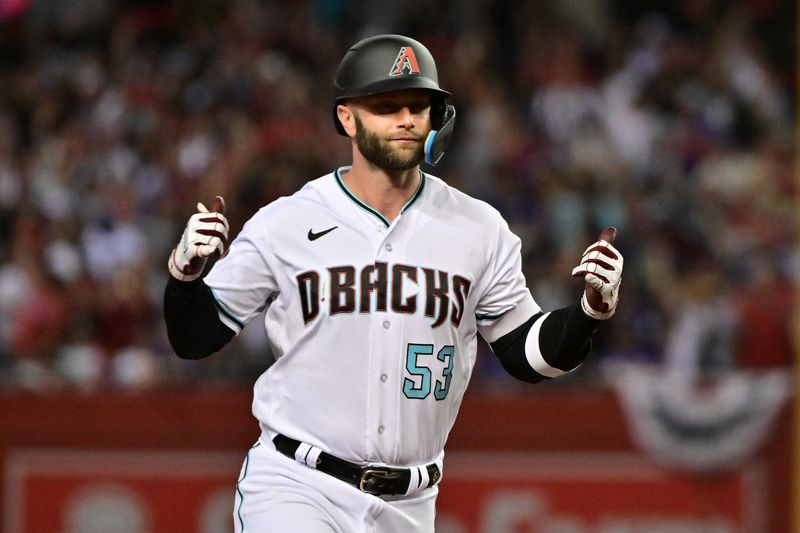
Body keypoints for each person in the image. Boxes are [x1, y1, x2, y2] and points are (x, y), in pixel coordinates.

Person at [163, 34, 623, 533]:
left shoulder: (478, 228)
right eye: (385, 105)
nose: (405, 119)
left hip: (410, 503)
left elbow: (528, 355)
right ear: (347, 118)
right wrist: (184, 277)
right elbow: (194, 339)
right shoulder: (286, 222)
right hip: (296, 484)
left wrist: (587, 314)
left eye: (418, 105)